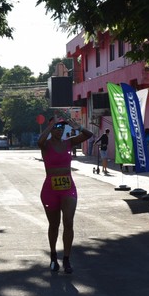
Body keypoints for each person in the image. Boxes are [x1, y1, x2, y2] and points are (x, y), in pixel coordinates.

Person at [38, 116, 93, 273]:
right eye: (57, 128)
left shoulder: (69, 142)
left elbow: (89, 135)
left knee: (68, 222)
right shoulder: (46, 145)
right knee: (54, 224)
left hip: (68, 187)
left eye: (62, 128)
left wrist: (78, 127)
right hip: (50, 188)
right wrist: (51, 125)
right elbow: (39, 141)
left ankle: (67, 259)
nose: (59, 130)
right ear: (51, 129)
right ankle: (54, 256)